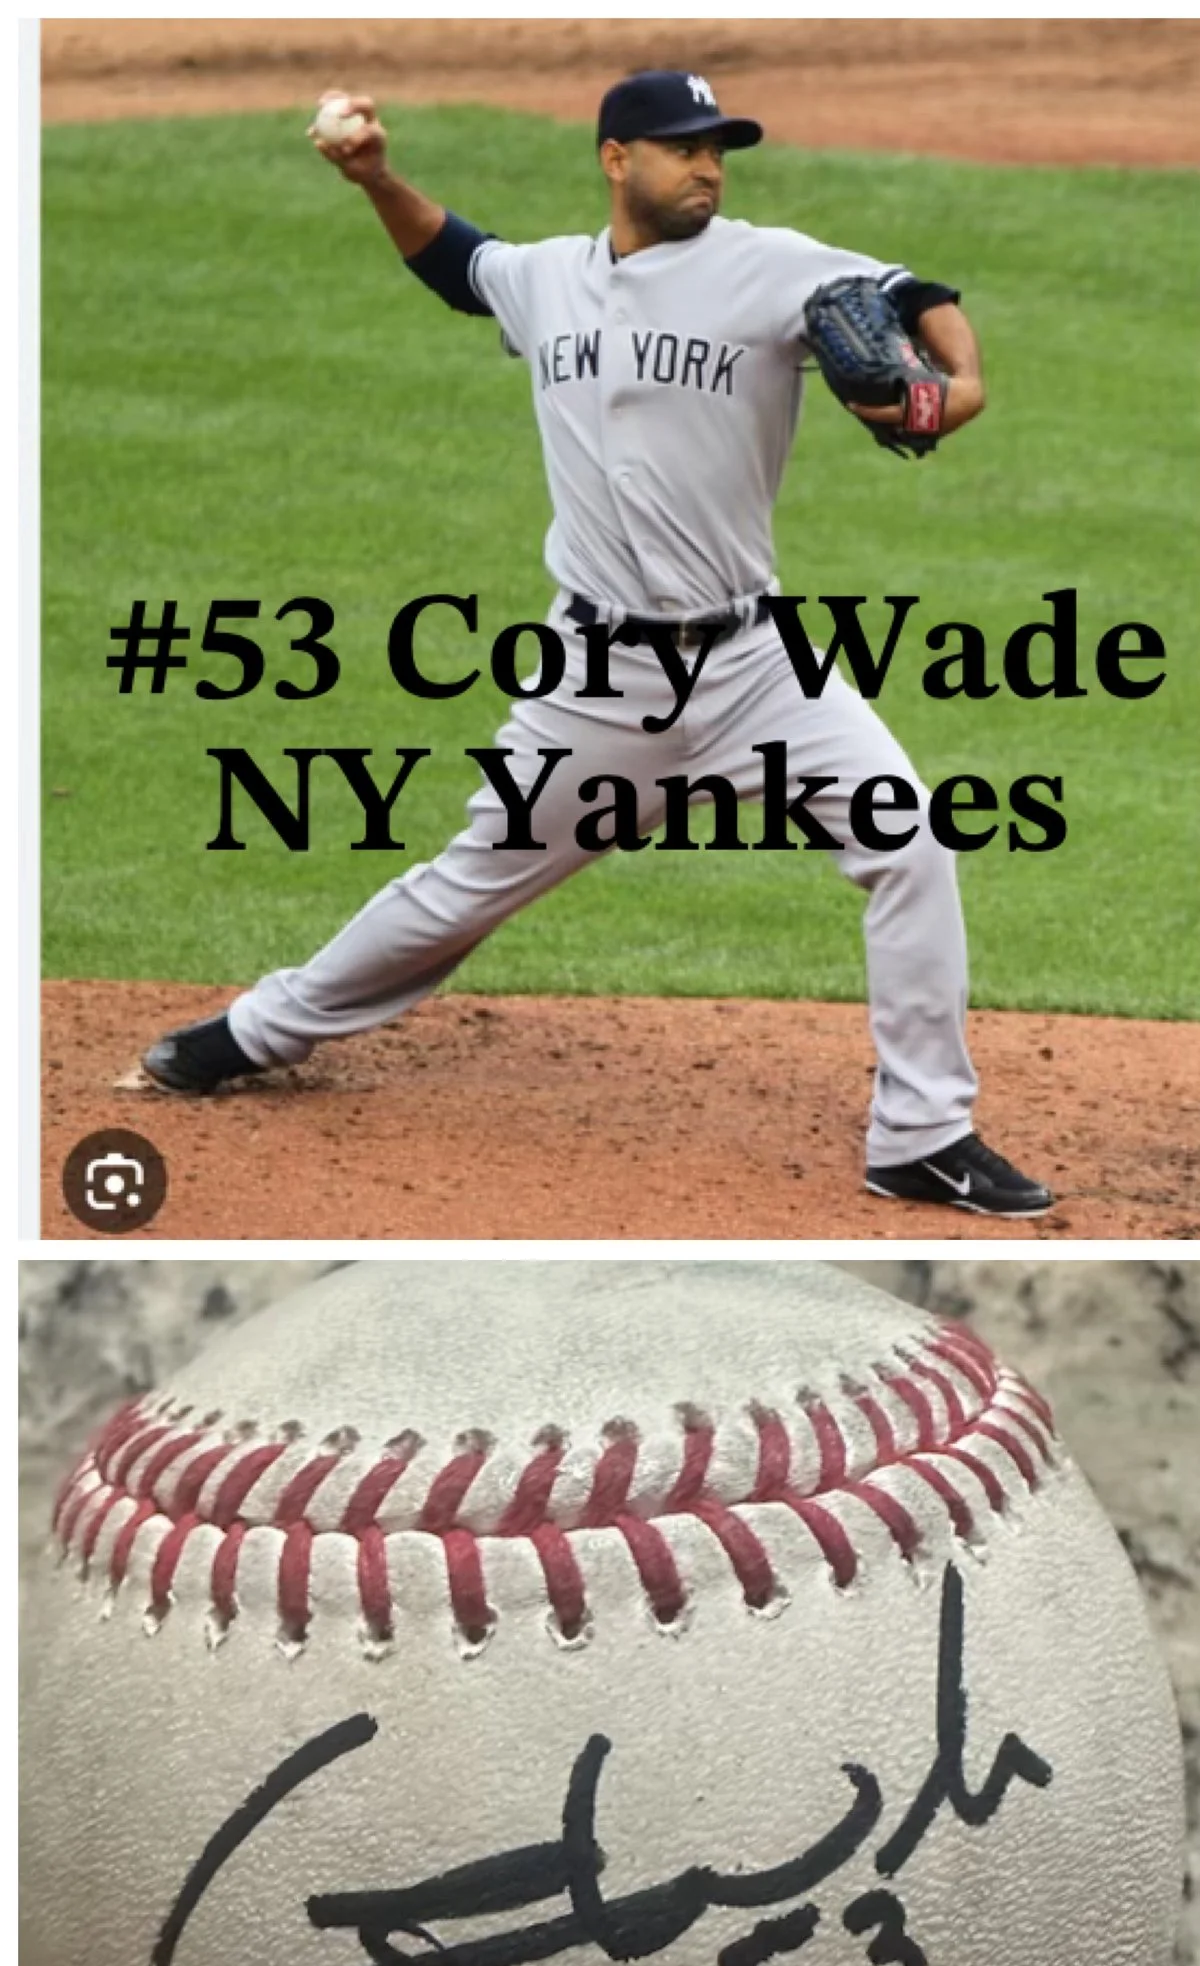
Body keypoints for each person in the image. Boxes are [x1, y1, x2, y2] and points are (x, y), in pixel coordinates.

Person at [137, 68, 1052, 1219]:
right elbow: (458, 263)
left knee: (909, 843)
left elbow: (917, 293)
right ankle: (255, 1031)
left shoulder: (773, 266)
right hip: (598, 684)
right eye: (683, 147)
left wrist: (959, 385)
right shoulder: (547, 279)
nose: (708, 166)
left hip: (758, 668)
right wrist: (374, 177)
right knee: (465, 888)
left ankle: (922, 1135)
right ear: (617, 158)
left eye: (717, 148)